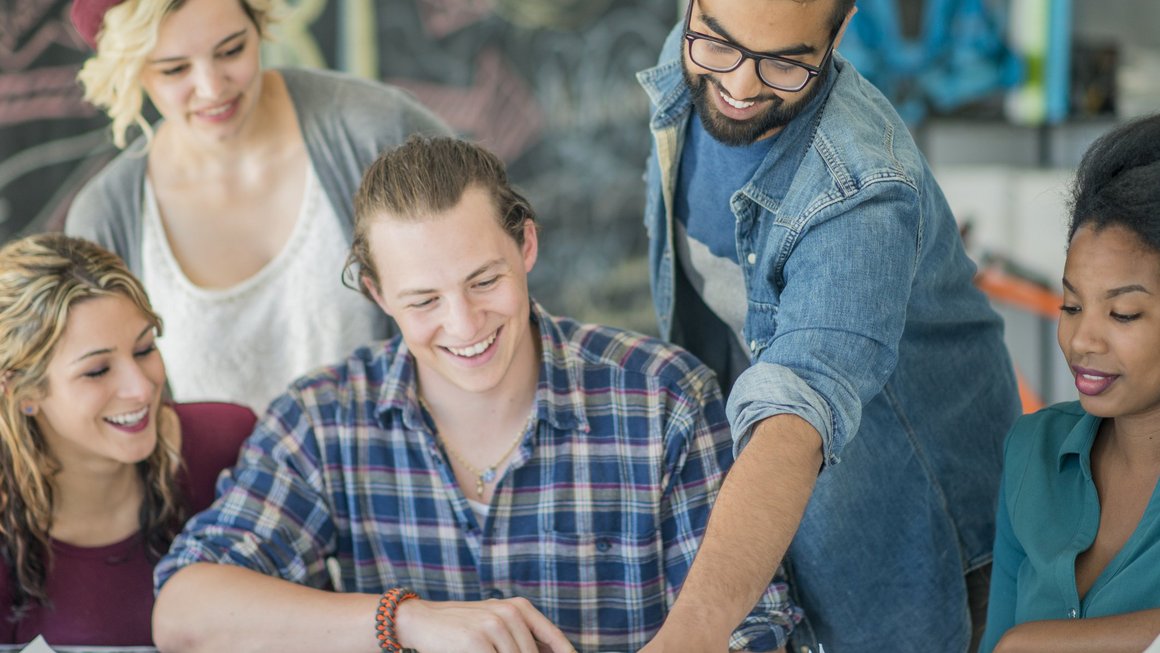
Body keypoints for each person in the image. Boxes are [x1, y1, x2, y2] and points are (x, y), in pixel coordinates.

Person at [150, 136, 801, 652]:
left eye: (484, 280)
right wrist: (405, 621)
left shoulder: (665, 398)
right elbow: (183, 614)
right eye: (424, 300)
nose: (463, 325)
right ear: (378, 294)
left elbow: (760, 628)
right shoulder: (323, 419)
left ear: (526, 246)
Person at [636, 0, 1022, 650]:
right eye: (717, 46)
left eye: (784, 63)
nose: (738, 86)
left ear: (840, 32)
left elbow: (794, 421)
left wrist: (688, 635)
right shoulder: (694, 45)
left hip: (922, 543)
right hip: (776, 511)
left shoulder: (862, 192)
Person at [65, 0, 451, 413]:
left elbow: (497, 278)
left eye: (231, 50)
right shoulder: (105, 220)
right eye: (175, 69)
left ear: (259, 21)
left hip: (395, 467)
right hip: (212, 479)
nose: (213, 88)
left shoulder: (377, 131)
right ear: (131, 68)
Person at [0, 234, 256, 646]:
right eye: (97, 371)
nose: (141, 389)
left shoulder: (228, 445)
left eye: (144, 349)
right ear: (23, 394)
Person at [980, 114, 1160, 652]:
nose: (1082, 339)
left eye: (1123, 313)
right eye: (1072, 305)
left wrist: (1035, 644)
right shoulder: (1033, 452)